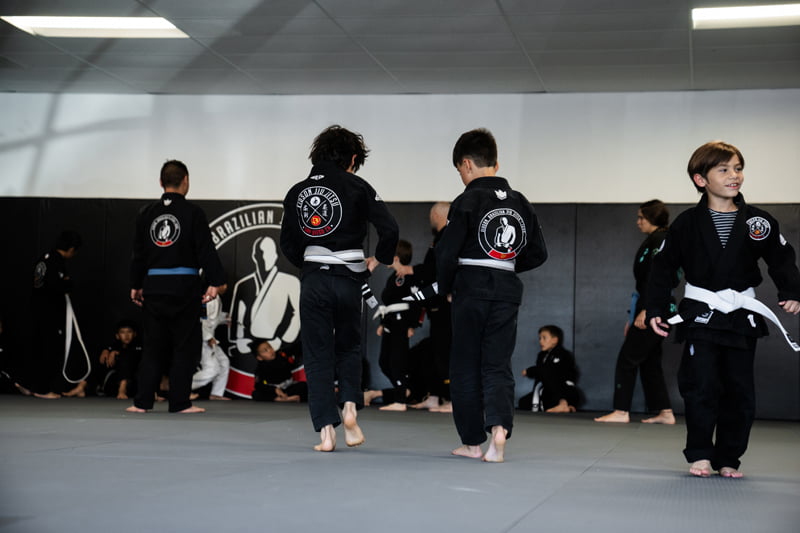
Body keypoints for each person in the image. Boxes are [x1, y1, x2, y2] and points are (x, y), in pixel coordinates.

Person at [647, 141, 800, 478]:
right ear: (701, 179)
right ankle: (701, 453)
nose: (735, 176)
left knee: (739, 389)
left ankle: (730, 456)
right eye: (725, 169)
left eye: (738, 168)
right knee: (700, 385)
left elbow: (781, 258)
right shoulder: (686, 224)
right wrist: (657, 307)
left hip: (741, 316)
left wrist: (791, 290)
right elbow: (662, 268)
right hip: (701, 313)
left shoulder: (758, 222)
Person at [280, 125, 399, 452]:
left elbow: (287, 244)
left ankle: (326, 433)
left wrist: (311, 264)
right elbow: (390, 228)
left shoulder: (296, 192)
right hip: (349, 279)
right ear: (353, 158)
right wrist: (379, 259)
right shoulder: (358, 186)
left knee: (317, 354)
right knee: (347, 347)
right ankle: (349, 408)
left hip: (315, 278)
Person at [436, 128, 547, 462]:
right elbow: (538, 253)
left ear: (466, 164)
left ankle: (472, 442)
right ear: (495, 163)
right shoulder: (520, 201)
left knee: (466, 365)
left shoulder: (467, 200)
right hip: (506, 289)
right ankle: (499, 431)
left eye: (459, 170)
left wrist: (447, 287)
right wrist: (504, 261)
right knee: (498, 365)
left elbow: (445, 253)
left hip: (470, 288)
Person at [127, 160, 226, 414]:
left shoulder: (146, 213)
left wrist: (136, 285)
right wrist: (216, 281)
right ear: (186, 181)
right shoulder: (193, 213)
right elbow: (205, 250)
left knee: (152, 346)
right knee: (184, 346)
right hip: (184, 287)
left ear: (161, 182)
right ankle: (180, 402)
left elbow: (138, 254)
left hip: (154, 285)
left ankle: (141, 403)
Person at [595, 200, 676, 425]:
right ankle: (665, 412)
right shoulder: (655, 240)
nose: (638, 221)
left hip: (655, 309)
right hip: (651, 307)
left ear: (652, 218)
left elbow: (659, 278)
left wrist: (648, 310)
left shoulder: (661, 240)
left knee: (627, 359)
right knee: (650, 361)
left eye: (641, 217)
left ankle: (621, 410)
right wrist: (635, 313)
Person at [394, 202, 454, 413]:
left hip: (447, 308)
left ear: (438, 215)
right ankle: (435, 396)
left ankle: (451, 400)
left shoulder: (450, 237)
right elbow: (430, 270)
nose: (430, 220)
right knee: (436, 354)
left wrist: (410, 270)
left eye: (432, 216)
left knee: (446, 354)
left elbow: (438, 271)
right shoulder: (439, 239)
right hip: (435, 307)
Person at [363, 239, 423, 411]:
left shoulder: (409, 278)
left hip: (402, 324)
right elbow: (388, 304)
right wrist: (383, 323)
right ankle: (403, 390)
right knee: (384, 362)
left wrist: (413, 325)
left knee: (397, 362)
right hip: (390, 323)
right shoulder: (393, 278)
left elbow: (417, 302)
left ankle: (400, 400)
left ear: (396, 258)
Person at [28, 230, 83, 399]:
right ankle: (43, 389)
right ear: (71, 249)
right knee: (49, 351)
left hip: (37, 310)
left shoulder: (43, 259)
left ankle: (35, 386)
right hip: (49, 313)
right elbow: (58, 286)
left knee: (40, 349)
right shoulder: (56, 262)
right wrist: (68, 284)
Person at [519, 325, 582, 413]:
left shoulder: (562, 354)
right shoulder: (541, 355)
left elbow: (548, 370)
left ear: (554, 340)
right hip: (548, 391)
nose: (541, 341)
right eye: (540, 338)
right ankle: (568, 408)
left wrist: (530, 371)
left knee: (549, 374)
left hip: (564, 389)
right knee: (524, 402)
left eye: (544, 338)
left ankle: (564, 404)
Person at [191, 292, 231, 400]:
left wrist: (225, 318)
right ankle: (182, 388)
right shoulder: (204, 297)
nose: (225, 288)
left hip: (210, 337)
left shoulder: (215, 297)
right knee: (212, 369)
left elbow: (213, 318)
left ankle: (216, 393)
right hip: (203, 338)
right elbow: (200, 319)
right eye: (223, 285)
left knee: (224, 362)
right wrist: (208, 337)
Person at [94, 320, 142, 399]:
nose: (126, 335)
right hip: (115, 381)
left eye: (129, 332)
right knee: (101, 357)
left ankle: (122, 389)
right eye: (122, 332)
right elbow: (108, 349)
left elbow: (134, 356)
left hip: (135, 381)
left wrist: (117, 353)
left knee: (126, 358)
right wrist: (106, 351)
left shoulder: (140, 345)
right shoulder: (114, 346)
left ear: (135, 334)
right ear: (117, 336)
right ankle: (82, 386)